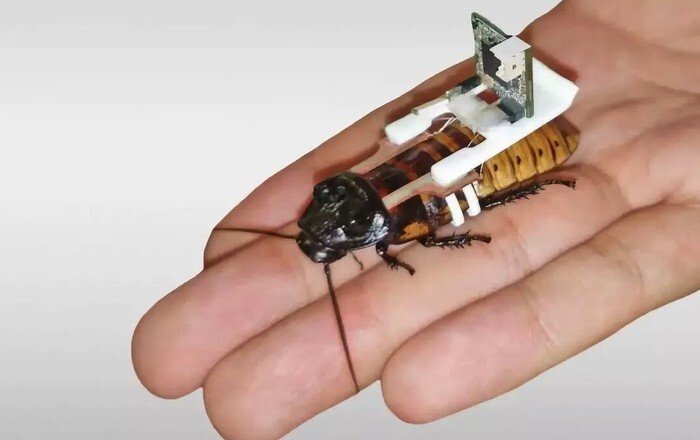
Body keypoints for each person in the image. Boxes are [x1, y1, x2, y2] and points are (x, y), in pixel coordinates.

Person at [131, 0, 700, 438]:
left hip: (500, 153)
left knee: (463, 205)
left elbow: (430, 223)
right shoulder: (374, 211)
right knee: (462, 204)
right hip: (482, 157)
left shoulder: (379, 230)